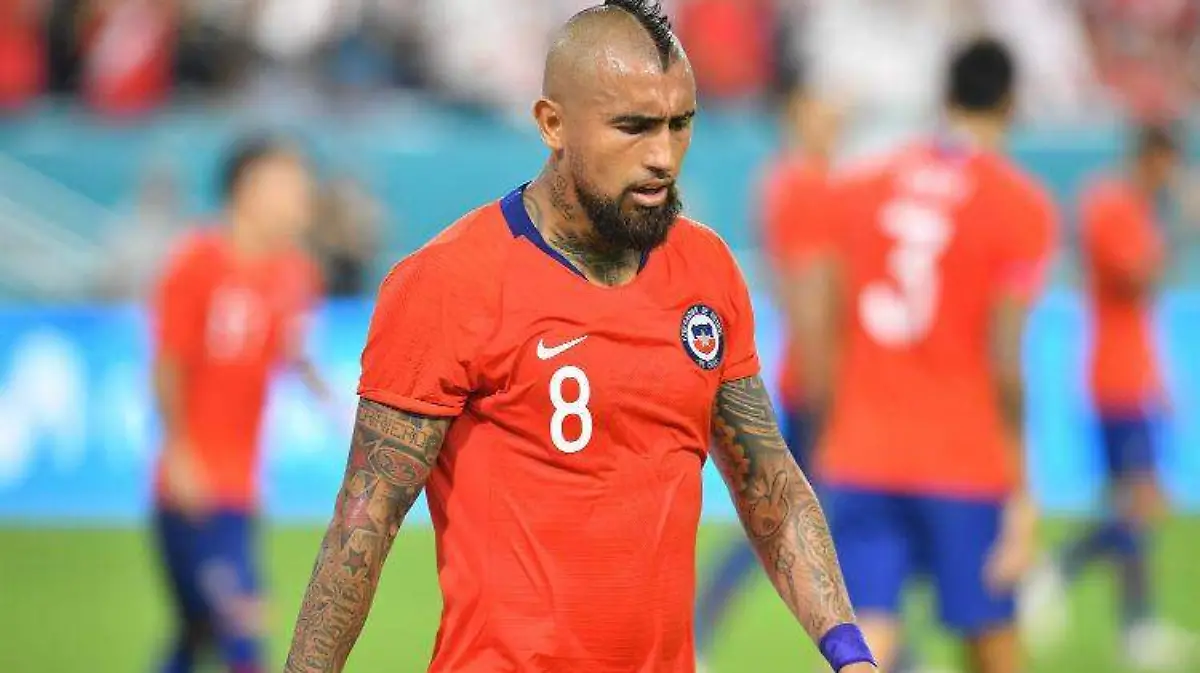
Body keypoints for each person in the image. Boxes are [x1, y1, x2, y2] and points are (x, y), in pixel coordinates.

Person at [282, 2, 876, 672]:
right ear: (552, 124)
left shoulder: (706, 269)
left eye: (680, 124)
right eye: (633, 127)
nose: (662, 156)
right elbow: (365, 518)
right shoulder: (449, 281)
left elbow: (770, 482)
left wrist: (849, 653)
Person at [806, 38, 1056, 673]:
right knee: (992, 640)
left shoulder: (860, 187)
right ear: (1011, 103)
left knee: (868, 644)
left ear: (944, 97)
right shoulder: (1020, 205)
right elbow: (1005, 356)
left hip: (863, 450)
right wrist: (1023, 490)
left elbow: (823, 324)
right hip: (962, 456)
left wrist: (828, 426)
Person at [150, 136, 333, 673]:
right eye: (289, 185)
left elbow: (290, 349)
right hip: (196, 486)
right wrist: (180, 452)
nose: (302, 198)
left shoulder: (295, 272)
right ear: (247, 190)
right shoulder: (196, 262)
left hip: (243, 483)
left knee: (197, 632)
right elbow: (168, 364)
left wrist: (332, 398)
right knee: (241, 626)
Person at [1023, 123, 1198, 671]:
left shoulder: (1134, 210)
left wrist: (1159, 379)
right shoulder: (1112, 206)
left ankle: (1135, 626)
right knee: (1140, 503)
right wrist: (1180, 226)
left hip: (1133, 376)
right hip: (1114, 380)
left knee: (1137, 506)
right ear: (1153, 159)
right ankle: (1060, 568)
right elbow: (1134, 279)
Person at [693, 69, 843, 660]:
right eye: (822, 107)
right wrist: (830, 387)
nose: (834, 119)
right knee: (792, 516)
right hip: (819, 381)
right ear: (798, 113)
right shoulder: (801, 189)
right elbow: (808, 300)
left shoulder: (806, 184)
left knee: (794, 514)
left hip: (822, 376)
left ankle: (700, 628)